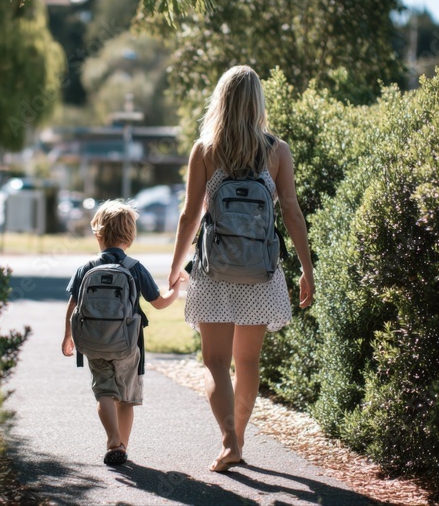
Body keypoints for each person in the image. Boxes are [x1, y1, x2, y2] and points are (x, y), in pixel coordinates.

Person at [167, 65, 315, 472]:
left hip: (213, 273)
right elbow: (291, 212)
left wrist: (176, 267)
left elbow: (189, 216)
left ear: (222, 100)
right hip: (261, 273)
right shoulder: (277, 150)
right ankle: (239, 439)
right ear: (258, 102)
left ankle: (229, 439)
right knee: (247, 363)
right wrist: (307, 269)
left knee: (215, 361)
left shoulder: (205, 149)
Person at [62, 200, 184, 465]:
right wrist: (176, 288)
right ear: (130, 236)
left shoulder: (86, 268)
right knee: (126, 399)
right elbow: (160, 303)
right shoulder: (135, 267)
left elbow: (73, 305)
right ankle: (122, 446)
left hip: (93, 344)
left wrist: (68, 336)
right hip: (128, 345)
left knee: (104, 392)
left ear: (98, 234)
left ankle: (112, 440)